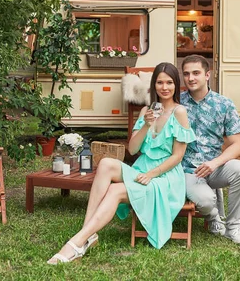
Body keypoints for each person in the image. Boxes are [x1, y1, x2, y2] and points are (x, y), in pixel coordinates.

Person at [48, 62, 195, 264]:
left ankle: (75, 244)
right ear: (153, 86)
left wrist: (152, 174)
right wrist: (146, 125)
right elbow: (133, 149)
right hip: (142, 168)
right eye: (160, 82)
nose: (164, 87)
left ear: (176, 85)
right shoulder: (146, 111)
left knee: (116, 190)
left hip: (165, 177)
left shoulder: (180, 112)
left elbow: (178, 156)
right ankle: (88, 234)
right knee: (107, 163)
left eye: (169, 82)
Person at [180, 54, 240, 244]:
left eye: (196, 73)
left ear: (207, 75)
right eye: (186, 74)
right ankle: (213, 217)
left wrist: (215, 163)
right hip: (188, 170)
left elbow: (238, 144)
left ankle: (233, 226)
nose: (190, 78)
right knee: (205, 201)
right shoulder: (176, 103)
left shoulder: (224, 104)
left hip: (215, 166)